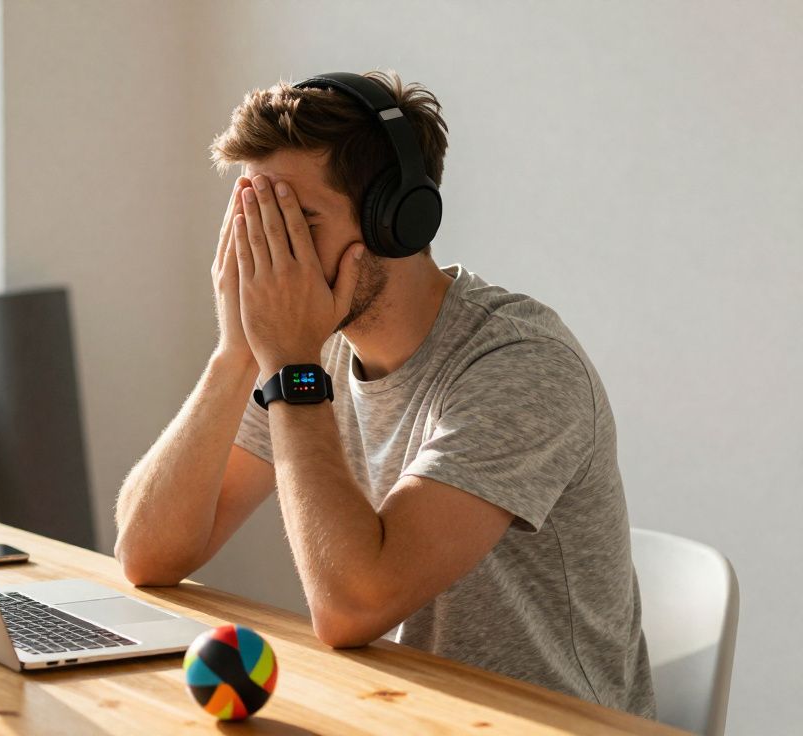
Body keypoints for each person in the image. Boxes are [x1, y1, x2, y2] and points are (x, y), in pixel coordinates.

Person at [112, 69, 655, 717]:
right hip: (395, 710)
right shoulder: (319, 349)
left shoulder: (519, 363)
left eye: (296, 222)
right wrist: (237, 351)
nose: (268, 258)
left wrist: (287, 363)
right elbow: (148, 554)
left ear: (397, 220)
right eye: (256, 222)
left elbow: (352, 606)